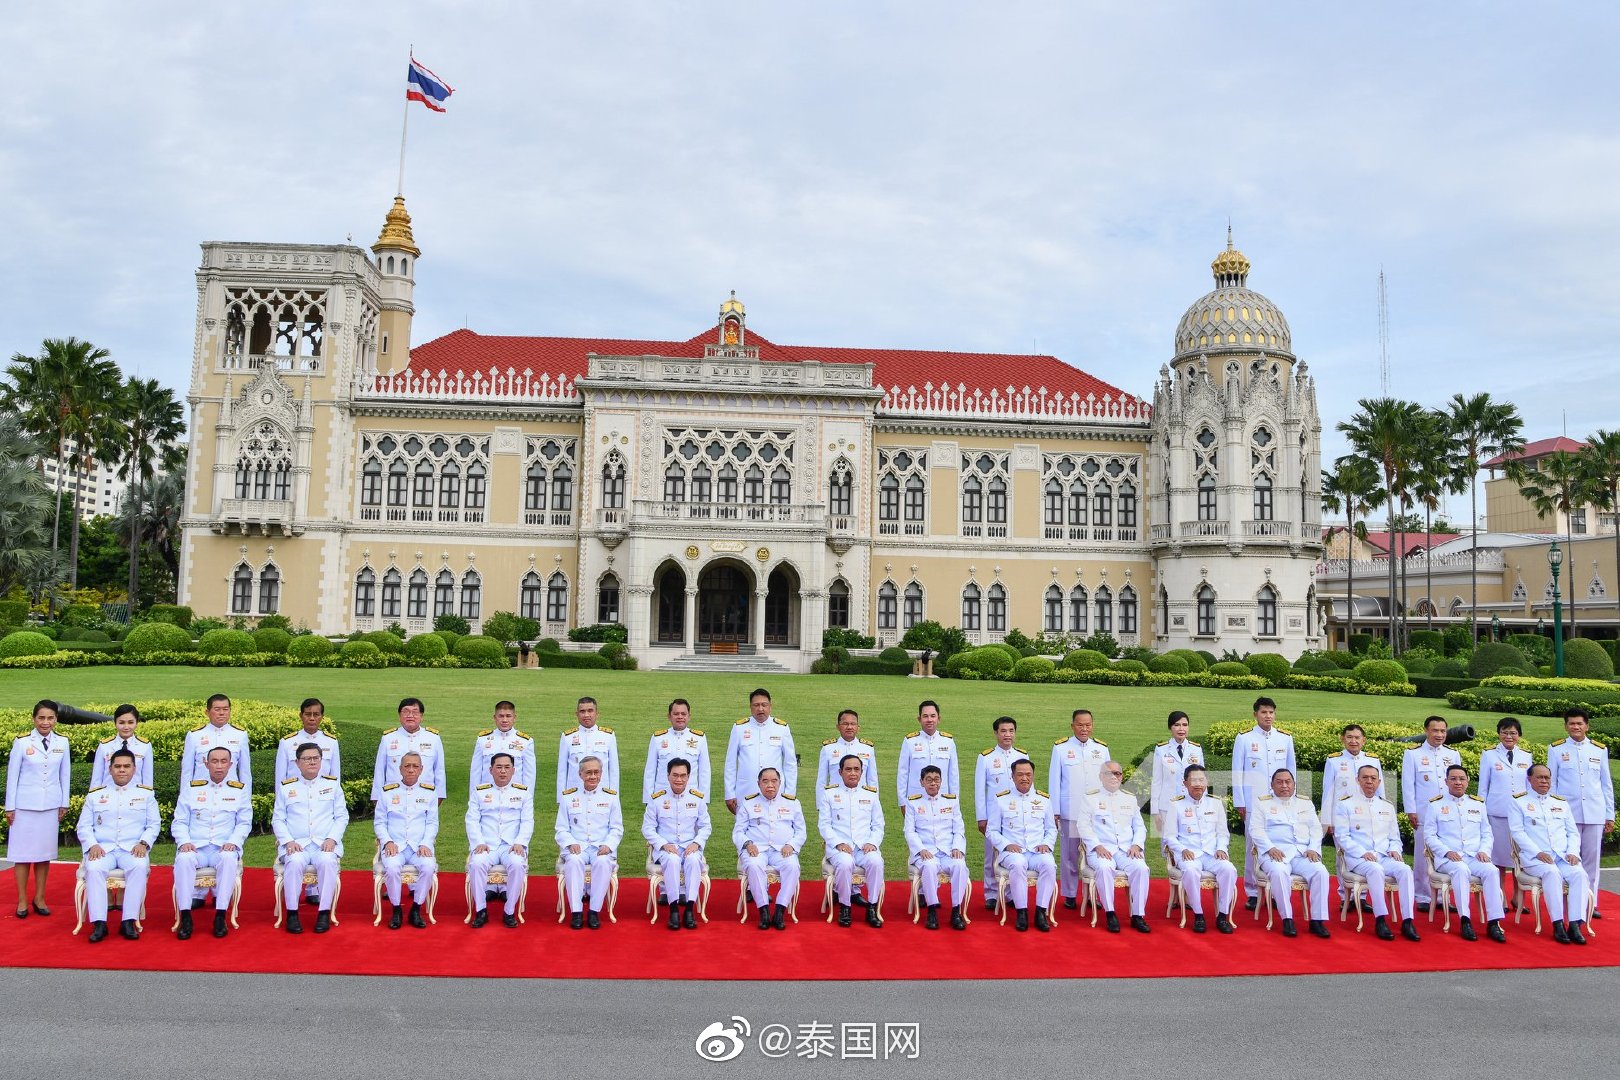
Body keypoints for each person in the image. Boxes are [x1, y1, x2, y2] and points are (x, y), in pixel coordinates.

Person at [76, 748, 159, 942]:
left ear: (134, 768)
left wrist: (144, 843)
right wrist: (92, 845)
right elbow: (83, 826)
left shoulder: (145, 794)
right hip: (103, 849)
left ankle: (128, 921)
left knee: (138, 866)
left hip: (132, 849)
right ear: (110, 768)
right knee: (94, 868)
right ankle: (99, 924)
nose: (122, 770)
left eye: (126, 766)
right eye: (118, 766)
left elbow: (154, 824)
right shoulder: (96, 795)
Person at [1333, 764, 1421, 941]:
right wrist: (1362, 852)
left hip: (1383, 855)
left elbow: (1394, 837)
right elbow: (1342, 836)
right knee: (1375, 870)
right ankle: (1380, 919)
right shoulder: (1345, 805)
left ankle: (1408, 921)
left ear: (1379, 781)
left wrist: (1395, 850)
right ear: (1358, 780)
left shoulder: (1386, 806)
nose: (1369, 782)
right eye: (1365, 778)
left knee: (1405, 870)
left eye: (1373, 778)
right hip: (1359, 858)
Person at [172, 746, 251, 940]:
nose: (219, 766)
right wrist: (184, 842)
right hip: (196, 846)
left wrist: (233, 842)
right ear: (206, 764)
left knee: (228, 859)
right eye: (214, 761)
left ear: (231, 765)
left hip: (222, 847)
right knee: (183, 860)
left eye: (224, 761)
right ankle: (186, 916)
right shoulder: (192, 789)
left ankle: (220, 915)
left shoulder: (239, 790)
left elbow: (244, 822)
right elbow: (179, 821)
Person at [1423, 764, 1507, 942]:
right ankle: (1465, 920)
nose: (1458, 782)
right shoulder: (1435, 805)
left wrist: (1484, 851)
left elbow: (1486, 832)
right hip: (1448, 859)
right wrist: (1446, 852)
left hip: (1473, 856)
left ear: (1468, 781)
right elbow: (1429, 835)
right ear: (1446, 782)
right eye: (1453, 779)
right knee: (1460, 870)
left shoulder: (1477, 804)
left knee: (1492, 871)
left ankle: (1494, 922)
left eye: (1462, 779)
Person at [271, 741, 348, 934]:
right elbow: (278, 819)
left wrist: (332, 839)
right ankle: (292, 913)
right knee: (295, 862)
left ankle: (323, 913)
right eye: (307, 759)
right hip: (297, 844)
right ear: (297, 763)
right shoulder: (287, 788)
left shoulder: (332, 785)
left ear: (321, 761)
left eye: (316, 758)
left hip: (324, 844)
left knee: (327, 862)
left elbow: (341, 817)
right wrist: (288, 841)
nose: (312, 762)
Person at [1510, 763, 1591, 944]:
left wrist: (1572, 852)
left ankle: (1576, 924)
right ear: (1529, 779)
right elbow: (1517, 832)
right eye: (1539, 777)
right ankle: (1558, 924)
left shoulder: (1560, 803)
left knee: (1579, 874)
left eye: (1547, 777)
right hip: (1535, 859)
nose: (1544, 781)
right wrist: (1537, 852)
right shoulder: (1518, 802)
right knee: (1551, 873)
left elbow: (1572, 832)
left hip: (1562, 856)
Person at [6, 699, 71, 919]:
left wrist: (64, 803)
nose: (45, 722)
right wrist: (10, 807)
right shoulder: (22, 742)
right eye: (41, 718)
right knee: (22, 855)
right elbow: (12, 777)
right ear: (34, 719)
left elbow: (65, 775)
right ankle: (23, 899)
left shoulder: (62, 742)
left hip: (50, 806)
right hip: (24, 807)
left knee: (44, 856)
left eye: (50, 718)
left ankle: (40, 897)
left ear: (56, 719)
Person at [1547, 707, 1614, 919]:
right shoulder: (1556, 749)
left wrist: (1609, 815)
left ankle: (1590, 902)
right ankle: (1569, 900)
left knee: (1592, 862)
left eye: (1579, 723)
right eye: (1571, 723)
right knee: (1569, 858)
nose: (1576, 727)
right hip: (1567, 815)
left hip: (1594, 813)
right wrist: (1553, 813)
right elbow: (1552, 784)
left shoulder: (1598, 749)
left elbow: (1606, 784)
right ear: (1565, 726)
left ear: (1587, 725)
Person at [1250, 769, 1331, 939]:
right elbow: (1255, 830)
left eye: (1288, 781)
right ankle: (1287, 918)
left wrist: (1314, 848)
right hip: (1275, 853)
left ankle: (1317, 920)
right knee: (1279, 873)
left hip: (1302, 853)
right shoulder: (1262, 803)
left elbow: (1316, 828)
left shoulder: (1305, 803)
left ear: (1294, 784)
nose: (1284, 785)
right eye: (1279, 782)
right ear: (1272, 785)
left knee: (1321, 872)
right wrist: (1270, 848)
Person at [1233, 697, 1295, 910]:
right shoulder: (1244, 738)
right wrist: (1240, 802)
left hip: (1280, 801)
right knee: (1253, 846)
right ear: (1255, 714)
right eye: (1263, 712)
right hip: (1254, 801)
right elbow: (1237, 772)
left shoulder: (1285, 739)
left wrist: (1291, 799)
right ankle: (1251, 890)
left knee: (1280, 840)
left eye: (1271, 712)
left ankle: (1277, 889)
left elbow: (1291, 772)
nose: (1267, 716)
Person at [1076, 760, 1151, 933]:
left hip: (1126, 850)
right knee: (1104, 868)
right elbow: (1083, 826)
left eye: (1117, 773)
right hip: (1101, 850)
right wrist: (1097, 845)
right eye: (1109, 773)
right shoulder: (1090, 798)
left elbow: (1140, 827)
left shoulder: (1130, 799)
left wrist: (1137, 845)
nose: (1114, 777)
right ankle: (1110, 913)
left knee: (1141, 868)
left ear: (1122, 776)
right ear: (1101, 776)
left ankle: (1138, 916)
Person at [1163, 765, 1237, 934]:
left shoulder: (1216, 803)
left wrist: (1221, 848)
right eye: (1193, 780)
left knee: (1229, 869)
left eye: (1201, 780)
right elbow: (1169, 836)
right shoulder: (1176, 805)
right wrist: (1182, 849)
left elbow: (1222, 833)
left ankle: (1223, 915)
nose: (1198, 784)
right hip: (1189, 854)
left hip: (1211, 853)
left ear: (1206, 782)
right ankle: (1198, 915)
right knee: (1190, 871)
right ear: (1185, 783)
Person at [987, 759, 1057, 932]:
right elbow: (991, 831)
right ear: (1012, 776)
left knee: (1049, 864)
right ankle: (1021, 912)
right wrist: (1006, 844)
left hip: (1036, 850)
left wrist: (1046, 844)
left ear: (1033, 776)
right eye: (1020, 774)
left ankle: (1041, 912)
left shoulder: (1044, 799)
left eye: (1028, 774)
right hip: (1013, 851)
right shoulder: (1001, 799)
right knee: (1018, 864)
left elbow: (1051, 829)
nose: (1024, 778)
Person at [1049, 708, 1108, 909]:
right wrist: (1055, 811)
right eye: (1080, 724)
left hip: (1095, 813)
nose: (1084, 729)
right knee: (1069, 855)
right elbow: (1054, 782)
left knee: (1096, 852)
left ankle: (1093, 894)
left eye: (1088, 725)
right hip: (1070, 810)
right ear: (1072, 725)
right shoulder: (1061, 748)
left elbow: (1108, 780)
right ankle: (1070, 893)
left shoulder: (1101, 749)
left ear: (1093, 726)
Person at [643, 757, 711, 931]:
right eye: (675, 775)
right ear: (668, 776)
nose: (679, 779)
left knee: (694, 860)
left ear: (688, 777)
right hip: (667, 847)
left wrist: (697, 843)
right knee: (672, 861)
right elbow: (648, 828)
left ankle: (689, 909)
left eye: (683, 775)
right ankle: (673, 910)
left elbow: (705, 826)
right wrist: (663, 844)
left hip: (689, 845)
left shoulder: (697, 798)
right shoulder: (657, 799)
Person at [465, 752, 533, 929]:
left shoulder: (523, 792)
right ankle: (481, 910)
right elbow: (471, 819)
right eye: (499, 767)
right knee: (476, 864)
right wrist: (478, 842)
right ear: (491, 770)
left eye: (507, 767)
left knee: (518, 864)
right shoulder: (480, 792)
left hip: (511, 846)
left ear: (513, 770)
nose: (503, 771)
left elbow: (527, 821)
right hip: (487, 845)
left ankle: (509, 911)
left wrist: (520, 842)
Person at [734, 766, 806, 930]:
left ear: (780, 783)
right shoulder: (749, 802)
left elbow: (801, 831)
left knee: (793, 866)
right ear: (758, 784)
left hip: (782, 850)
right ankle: (763, 910)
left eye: (774, 781)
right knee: (753, 865)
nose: (770, 785)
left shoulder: (792, 803)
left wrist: (791, 845)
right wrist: (747, 843)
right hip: (757, 849)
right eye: (765, 781)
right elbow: (738, 831)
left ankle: (780, 910)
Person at [1402, 715, 1461, 912]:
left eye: (1443, 731)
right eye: (1435, 730)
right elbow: (1408, 785)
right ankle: (1423, 896)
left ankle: (1444, 896)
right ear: (1426, 731)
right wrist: (1411, 810)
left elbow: (1456, 783)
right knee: (1422, 856)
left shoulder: (1453, 754)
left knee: (1447, 853)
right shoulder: (1413, 754)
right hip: (1424, 812)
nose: (1439, 734)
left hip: (1448, 813)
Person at [556, 755, 622, 930]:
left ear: (601, 774)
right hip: (577, 846)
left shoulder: (611, 797)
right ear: (580, 774)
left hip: (600, 847)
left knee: (602, 862)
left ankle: (594, 911)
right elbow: (561, 828)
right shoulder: (568, 797)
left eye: (596, 772)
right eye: (588, 772)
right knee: (574, 861)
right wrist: (570, 843)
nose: (592, 776)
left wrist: (608, 845)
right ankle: (576, 912)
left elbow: (617, 828)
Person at [819, 754, 885, 928]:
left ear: (862, 772)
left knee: (876, 861)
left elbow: (878, 824)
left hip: (864, 846)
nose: (853, 773)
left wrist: (872, 843)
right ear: (840, 772)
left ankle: (872, 907)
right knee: (845, 863)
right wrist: (838, 843)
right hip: (840, 847)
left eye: (857, 769)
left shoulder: (870, 795)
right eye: (848, 769)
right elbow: (824, 825)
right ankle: (845, 907)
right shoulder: (829, 794)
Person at [375, 751, 439, 929]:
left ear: (421, 769)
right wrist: (387, 842)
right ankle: (396, 910)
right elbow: (380, 822)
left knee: (427, 866)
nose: (411, 770)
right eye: (407, 766)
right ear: (400, 768)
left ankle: (416, 909)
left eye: (415, 766)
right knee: (393, 867)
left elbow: (432, 823)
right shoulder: (388, 792)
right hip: (395, 846)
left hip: (419, 846)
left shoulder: (430, 792)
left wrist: (426, 843)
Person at [904, 764, 969, 930]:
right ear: (922, 782)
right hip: (925, 852)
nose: (933, 784)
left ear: (941, 781)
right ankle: (932, 910)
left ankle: (956, 911)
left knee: (960, 865)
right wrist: (921, 849)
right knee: (929, 866)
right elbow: (909, 831)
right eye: (929, 780)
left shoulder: (951, 801)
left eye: (937, 780)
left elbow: (959, 829)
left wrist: (957, 848)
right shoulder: (913, 802)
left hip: (947, 851)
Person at [1477, 717, 1531, 911]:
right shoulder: (1489, 755)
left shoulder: (1526, 756)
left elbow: (1529, 787)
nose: (1509, 736)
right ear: (1499, 733)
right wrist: (1480, 812)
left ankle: (1518, 897)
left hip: (1520, 816)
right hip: (1496, 813)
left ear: (1519, 735)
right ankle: (1499, 897)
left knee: (1520, 859)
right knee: (1498, 859)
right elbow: (1483, 787)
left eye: (1513, 733)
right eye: (1505, 732)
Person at [974, 716, 1027, 908]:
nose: (1007, 735)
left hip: (1015, 815)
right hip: (994, 815)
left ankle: (1012, 894)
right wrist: (982, 817)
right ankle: (992, 894)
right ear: (996, 733)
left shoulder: (1022, 756)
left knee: (1016, 851)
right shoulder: (986, 757)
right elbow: (980, 790)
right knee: (992, 856)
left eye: (1011, 731)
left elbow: (1027, 785)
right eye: (1003, 731)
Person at [724, 689, 797, 813]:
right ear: (750, 707)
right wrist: (729, 793)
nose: (760, 709)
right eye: (756, 705)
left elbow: (790, 764)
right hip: (746, 790)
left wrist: (789, 793)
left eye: (764, 705)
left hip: (775, 791)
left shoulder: (781, 728)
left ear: (770, 707)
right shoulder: (739, 728)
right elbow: (730, 763)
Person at [372, 697, 446, 802]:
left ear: (421, 716)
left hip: (425, 797)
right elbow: (379, 771)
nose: (410, 716)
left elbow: (439, 770)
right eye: (405, 712)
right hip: (394, 798)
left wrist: (439, 797)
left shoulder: (433, 738)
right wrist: (376, 799)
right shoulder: (388, 738)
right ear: (399, 716)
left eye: (415, 712)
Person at [179, 693, 251, 794]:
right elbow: (187, 771)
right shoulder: (194, 735)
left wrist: (246, 798)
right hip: (201, 794)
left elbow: (245, 772)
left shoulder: (240, 734)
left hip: (230, 794)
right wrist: (184, 797)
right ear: (207, 712)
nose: (222, 713)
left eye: (225, 709)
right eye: (217, 709)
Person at [643, 699, 711, 804]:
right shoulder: (658, 738)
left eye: (683, 714)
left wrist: (704, 800)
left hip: (690, 797)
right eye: (676, 714)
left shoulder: (699, 738)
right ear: (669, 716)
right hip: (662, 797)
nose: (680, 717)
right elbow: (650, 771)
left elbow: (704, 772)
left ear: (689, 716)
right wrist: (648, 799)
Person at [897, 701, 959, 814]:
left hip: (943, 799)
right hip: (916, 799)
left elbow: (953, 775)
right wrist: (902, 801)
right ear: (919, 719)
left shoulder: (948, 741)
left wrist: (954, 800)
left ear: (938, 718)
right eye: (925, 716)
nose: (929, 719)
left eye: (933, 716)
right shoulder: (910, 741)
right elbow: (903, 773)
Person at [1320, 724, 1384, 831]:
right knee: (1343, 848)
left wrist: (1381, 815)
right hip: (1341, 815)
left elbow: (1380, 790)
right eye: (1349, 737)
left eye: (1357, 738)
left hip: (1368, 813)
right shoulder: (1333, 760)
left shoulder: (1373, 760)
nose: (1353, 741)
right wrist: (1327, 821)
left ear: (1364, 740)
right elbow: (1328, 792)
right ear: (1342, 739)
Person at [1149, 711, 1203, 838]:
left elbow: (1202, 780)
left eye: (1185, 725)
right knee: (1169, 846)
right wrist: (1155, 811)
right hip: (1167, 806)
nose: (1181, 729)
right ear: (1170, 728)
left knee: (1190, 842)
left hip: (1190, 804)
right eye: (1177, 725)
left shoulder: (1196, 749)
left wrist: (1203, 804)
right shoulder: (1161, 749)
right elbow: (1156, 781)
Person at [557, 697, 619, 804]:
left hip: (601, 793)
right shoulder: (567, 737)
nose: (586, 715)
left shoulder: (608, 736)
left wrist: (614, 796)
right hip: (575, 793)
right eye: (582, 711)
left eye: (590, 711)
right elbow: (562, 770)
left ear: (597, 713)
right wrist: (560, 798)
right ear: (577, 714)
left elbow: (614, 770)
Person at [275, 698, 341, 786]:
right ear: (301, 716)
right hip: (295, 795)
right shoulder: (287, 742)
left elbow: (335, 777)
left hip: (323, 795)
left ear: (322, 717)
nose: (312, 718)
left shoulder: (331, 742)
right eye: (308, 714)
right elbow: (280, 779)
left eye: (316, 714)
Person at [471, 700, 536, 790]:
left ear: (514, 718)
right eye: (501, 716)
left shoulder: (525, 742)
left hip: (515, 797)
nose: (504, 720)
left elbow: (529, 775)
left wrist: (527, 801)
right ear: (495, 718)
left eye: (508, 716)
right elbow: (475, 773)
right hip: (487, 797)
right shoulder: (483, 740)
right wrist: (474, 799)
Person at [90, 704, 154, 789]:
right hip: (108, 797)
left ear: (136, 723)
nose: (126, 727)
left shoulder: (145, 746)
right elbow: (96, 779)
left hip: (135, 798)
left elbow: (147, 780)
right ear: (115, 723)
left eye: (130, 722)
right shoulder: (104, 746)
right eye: (121, 722)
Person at [816, 709, 877, 795]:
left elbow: (873, 781)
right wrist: (821, 806)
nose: (849, 727)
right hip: (835, 801)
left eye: (853, 724)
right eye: (845, 724)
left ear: (858, 727)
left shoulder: (867, 748)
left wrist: (874, 805)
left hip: (861, 801)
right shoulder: (828, 748)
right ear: (838, 727)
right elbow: (821, 781)